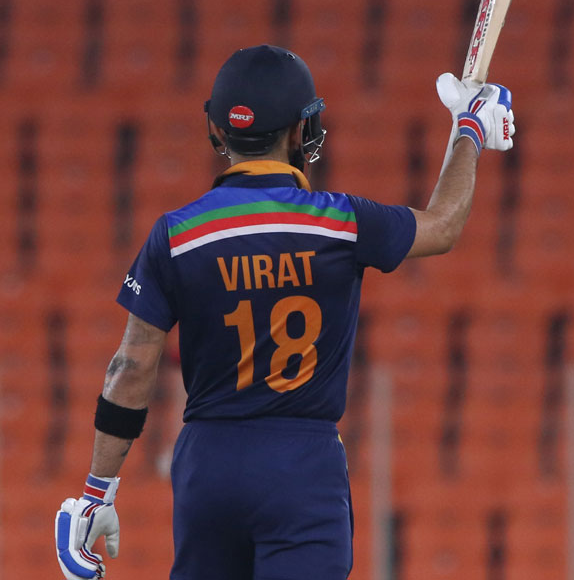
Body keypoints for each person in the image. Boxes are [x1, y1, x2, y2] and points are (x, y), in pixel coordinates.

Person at [55, 45, 515, 580]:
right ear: (300, 131)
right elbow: (444, 224)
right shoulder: (341, 222)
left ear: (217, 128)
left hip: (208, 462)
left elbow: (129, 370)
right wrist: (469, 132)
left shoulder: (175, 235)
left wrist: (96, 491)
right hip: (302, 464)